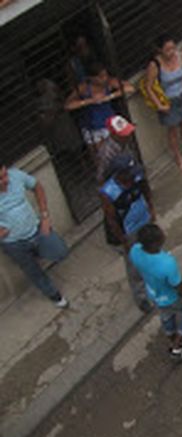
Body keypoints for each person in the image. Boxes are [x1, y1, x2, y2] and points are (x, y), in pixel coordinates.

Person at [0, 164, 69, 307]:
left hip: (36, 229)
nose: (5, 181)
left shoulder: (16, 175)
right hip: (13, 243)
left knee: (61, 251)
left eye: (5, 175)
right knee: (32, 270)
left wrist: (45, 216)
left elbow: (37, 186)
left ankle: (38, 252)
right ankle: (53, 295)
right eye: (0, 179)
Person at [129, 224, 182, 361]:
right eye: (161, 235)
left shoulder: (135, 251)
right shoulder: (167, 263)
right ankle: (177, 345)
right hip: (172, 298)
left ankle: (171, 336)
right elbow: (179, 287)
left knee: (166, 315)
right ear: (155, 243)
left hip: (154, 294)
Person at [99, 153, 155, 312]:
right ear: (120, 174)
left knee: (150, 252)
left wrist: (151, 209)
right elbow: (111, 219)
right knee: (134, 265)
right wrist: (124, 241)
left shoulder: (137, 178)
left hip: (143, 220)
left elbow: (146, 190)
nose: (133, 175)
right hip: (128, 230)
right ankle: (141, 297)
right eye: (129, 173)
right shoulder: (109, 192)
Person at [146, 35, 182, 173]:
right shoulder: (155, 65)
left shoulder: (181, 56)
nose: (171, 52)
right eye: (167, 50)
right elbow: (149, 87)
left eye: (173, 48)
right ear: (160, 50)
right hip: (168, 102)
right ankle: (178, 157)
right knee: (173, 131)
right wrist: (159, 105)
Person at [64, 61, 134, 154]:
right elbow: (67, 105)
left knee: (119, 152)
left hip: (109, 124)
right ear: (91, 78)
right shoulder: (84, 87)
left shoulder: (109, 82)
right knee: (100, 156)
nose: (104, 79)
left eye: (105, 75)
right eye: (100, 77)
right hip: (92, 127)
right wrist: (89, 101)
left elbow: (130, 88)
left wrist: (109, 97)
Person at [96, 115, 137, 183]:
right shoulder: (106, 152)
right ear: (114, 134)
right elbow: (102, 175)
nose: (128, 136)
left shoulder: (125, 141)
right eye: (124, 134)